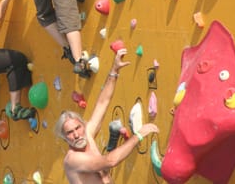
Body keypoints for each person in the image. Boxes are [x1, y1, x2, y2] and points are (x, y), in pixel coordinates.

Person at [55, 49, 159, 183]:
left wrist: (114, 71)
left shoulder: (87, 135)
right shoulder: (73, 159)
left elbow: (102, 103)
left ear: (83, 125)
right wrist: (138, 136)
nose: (76, 134)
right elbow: (110, 161)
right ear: (64, 137)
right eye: (69, 132)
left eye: (77, 128)